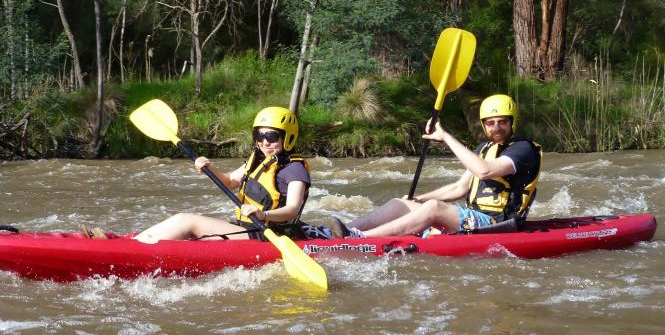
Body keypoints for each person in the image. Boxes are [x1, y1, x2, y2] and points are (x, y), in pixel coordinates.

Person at [328, 94, 542, 238]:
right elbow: (459, 188)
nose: (496, 127)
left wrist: (446, 137)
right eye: (490, 122)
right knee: (400, 203)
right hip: (473, 216)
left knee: (434, 207)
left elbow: (484, 170)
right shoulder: (484, 148)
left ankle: (362, 239)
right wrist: (418, 199)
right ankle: (342, 231)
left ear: (512, 121)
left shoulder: (523, 149)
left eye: (502, 121)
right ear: (484, 124)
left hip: (499, 224)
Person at [132, 106, 331, 243]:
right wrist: (208, 170)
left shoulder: (295, 169)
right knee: (186, 226)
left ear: (288, 137)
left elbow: (292, 210)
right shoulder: (259, 159)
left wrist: (263, 214)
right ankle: (135, 241)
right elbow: (230, 181)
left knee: (187, 221)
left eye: (271, 136)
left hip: (268, 235)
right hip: (247, 228)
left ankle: (135, 247)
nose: (264, 142)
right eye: (259, 136)